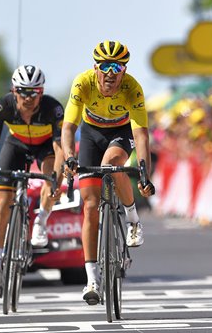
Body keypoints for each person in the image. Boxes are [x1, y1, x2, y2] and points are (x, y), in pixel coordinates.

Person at [61, 40, 155, 305]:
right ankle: (92, 278)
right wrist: (69, 157)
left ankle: (132, 219)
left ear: (124, 70)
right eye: (105, 66)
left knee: (111, 164)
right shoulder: (83, 82)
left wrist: (145, 172)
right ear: (96, 67)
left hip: (121, 134)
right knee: (90, 204)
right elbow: (68, 127)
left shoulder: (132, 88)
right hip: (91, 134)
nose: (111, 73)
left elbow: (141, 134)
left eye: (117, 66)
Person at [0, 65, 64, 297]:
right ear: (13, 91)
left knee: (51, 175)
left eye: (34, 92)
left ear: (41, 92)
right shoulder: (3, 105)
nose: (28, 97)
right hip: (16, 144)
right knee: (2, 205)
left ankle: (40, 222)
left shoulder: (52, 108)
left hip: (45, 146)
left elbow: (60, 148)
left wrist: (56, 179)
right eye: (23, 92)